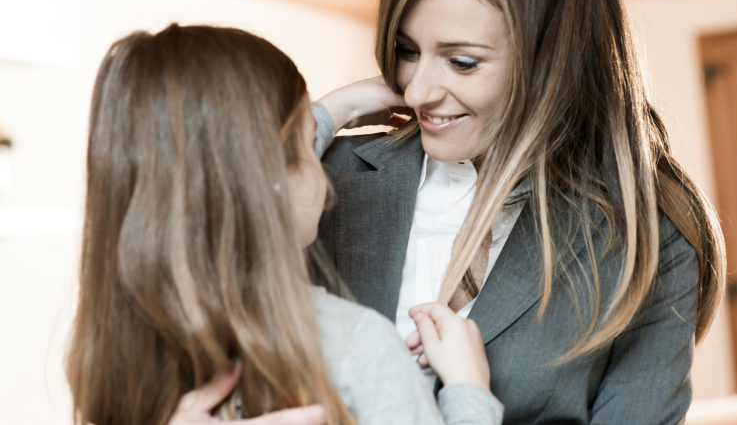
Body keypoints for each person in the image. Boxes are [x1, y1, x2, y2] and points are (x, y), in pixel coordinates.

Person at [310, 0, 726, 424]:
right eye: (408, 50)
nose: (416, 90)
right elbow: (199, 224)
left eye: (462, 61)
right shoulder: (329, 178)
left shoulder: (649, 238)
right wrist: (327, 112)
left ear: (551, 61)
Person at [64, 24, 504, 425]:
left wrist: (338, 107)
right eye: (307, 145)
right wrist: (469, 392)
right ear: (272, 182)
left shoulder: (118, 351)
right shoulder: (357, 348)